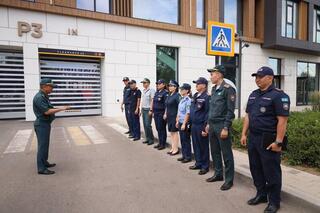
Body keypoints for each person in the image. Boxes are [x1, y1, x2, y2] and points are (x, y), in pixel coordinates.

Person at [241, 67, 290, 213]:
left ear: (270, 78)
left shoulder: (279, 96)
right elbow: (248, 116)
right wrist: (244, 134)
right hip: (253, 137)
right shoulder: (253, 94)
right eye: (256, 76)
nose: (257, 79)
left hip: (269, 139)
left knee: (271, 171)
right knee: (255, 168)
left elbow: (282, 121)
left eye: (260, 77)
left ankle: (274, 201)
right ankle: (261, 194)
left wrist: (279, 142)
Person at [206, 65, 236, 191]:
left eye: (212, 74)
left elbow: (230, 111)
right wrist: (208, 123)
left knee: (226, 153)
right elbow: (212, 108)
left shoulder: (228, 89)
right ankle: (218, 174)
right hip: (212, 125)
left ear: (219, 75)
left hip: (221, 125)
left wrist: (226, 127)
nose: (211, 76)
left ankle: (229, 180)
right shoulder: (213, 89)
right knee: (215, 151)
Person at [33, 78, 70, 175]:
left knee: (45, 145)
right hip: (41, 124)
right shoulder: (39, 97)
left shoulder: (44, 96)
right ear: (45, 86)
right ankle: (41, 168)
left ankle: (44, 162)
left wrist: (60, 108)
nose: (52, 89)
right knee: (42, 146)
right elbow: (47, 111)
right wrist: (62, 108)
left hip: (45, 124)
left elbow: (49, 108)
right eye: (51, 87)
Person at [189, 77, 210, 175]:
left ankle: (205, 166)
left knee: (203, 146)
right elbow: (192, 110)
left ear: (204, 85)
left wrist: (205, 126)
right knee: (196, 144)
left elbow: (207, 113)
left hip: (201, 125)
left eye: (198, 83)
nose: (196, 85)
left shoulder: (207, 97)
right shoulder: (195, 95)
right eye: (196, 83)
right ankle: (198, 163)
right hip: (194, 124)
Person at [176, 83, 192, 163]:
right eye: (180, 89)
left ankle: (188, 156)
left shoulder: (188, 100)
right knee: (182, 139)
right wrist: (177, 121)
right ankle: (184, 155)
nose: (181, 90)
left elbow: (188, 113)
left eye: (182, 89)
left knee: (186, 140)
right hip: (180, 122)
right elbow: (179, 112)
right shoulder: (182, 99)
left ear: (187, 90)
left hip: (184, 123)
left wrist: (184, 124)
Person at [151, 79, 168, 150]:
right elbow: (154, 103)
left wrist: (165, 113)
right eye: (157, 84)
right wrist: (152, 111)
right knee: (158, 128)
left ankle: (163, 144)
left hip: (161, 113)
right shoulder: (157, 92)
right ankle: (160, 142)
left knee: (162, 128)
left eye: (159, 84)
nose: (157, 85)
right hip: (156, 113)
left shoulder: (165, 93)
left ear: (163, 85)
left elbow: (166, 104)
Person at [164, 80, 181, 155]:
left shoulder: (177, 95)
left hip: (174, 116)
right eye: (169, 86)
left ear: (175, 87)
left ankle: (176, 149)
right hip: (169, 116)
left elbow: (179, 107)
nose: (170, 87)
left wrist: (178, 117)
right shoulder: (169, 95)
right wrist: (165, 113)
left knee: (174, 133)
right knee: (171, 132)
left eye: (171, 86)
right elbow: (167, 105)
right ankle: (172, 147)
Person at [140, 78, 155, 145]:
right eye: (143, 83)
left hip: (148, 109)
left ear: (148, 83)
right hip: (143, 109)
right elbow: (143, 101)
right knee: (145, 125)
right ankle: (147, 138)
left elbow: (152, 100)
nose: (144, 84)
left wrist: (151, 110)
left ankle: (151, 139)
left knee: (148, 124)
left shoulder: (151, 90)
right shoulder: (143, 90)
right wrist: (141, 109)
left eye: (145, 83)